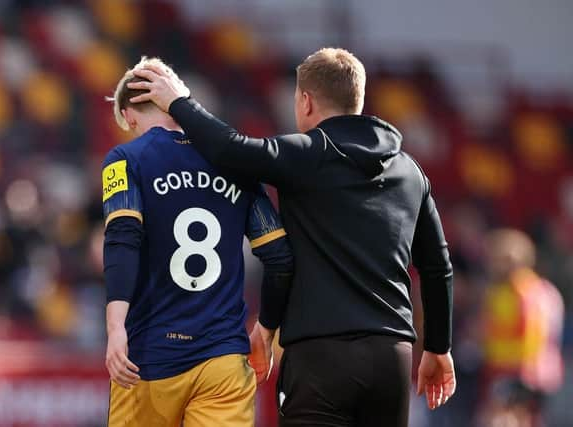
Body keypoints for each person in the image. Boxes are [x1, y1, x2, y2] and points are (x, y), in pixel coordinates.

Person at [129, 47, 456, 426]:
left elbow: (228, 149)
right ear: (358, 99)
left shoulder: (306, 154)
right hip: (391, 356)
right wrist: (438, 347)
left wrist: (179, 102)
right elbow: (438, 267)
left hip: (320, 356)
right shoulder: (410, 171)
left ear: (305, 101)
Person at [102, 56, 293, 427]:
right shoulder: (236, 162)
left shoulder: (125, 160)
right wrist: (265, 330)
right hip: (223, 361)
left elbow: (122, 240)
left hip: (148, 358)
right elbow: (279, 256)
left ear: (129, 114)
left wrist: (114, 329)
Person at [480, 229, 564, 427]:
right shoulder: (500, 291)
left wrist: (520, 374)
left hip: (520, 372)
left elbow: (531, 335)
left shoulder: (527, 290)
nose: (494, 265)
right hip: (505, 369)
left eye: (500, 259)